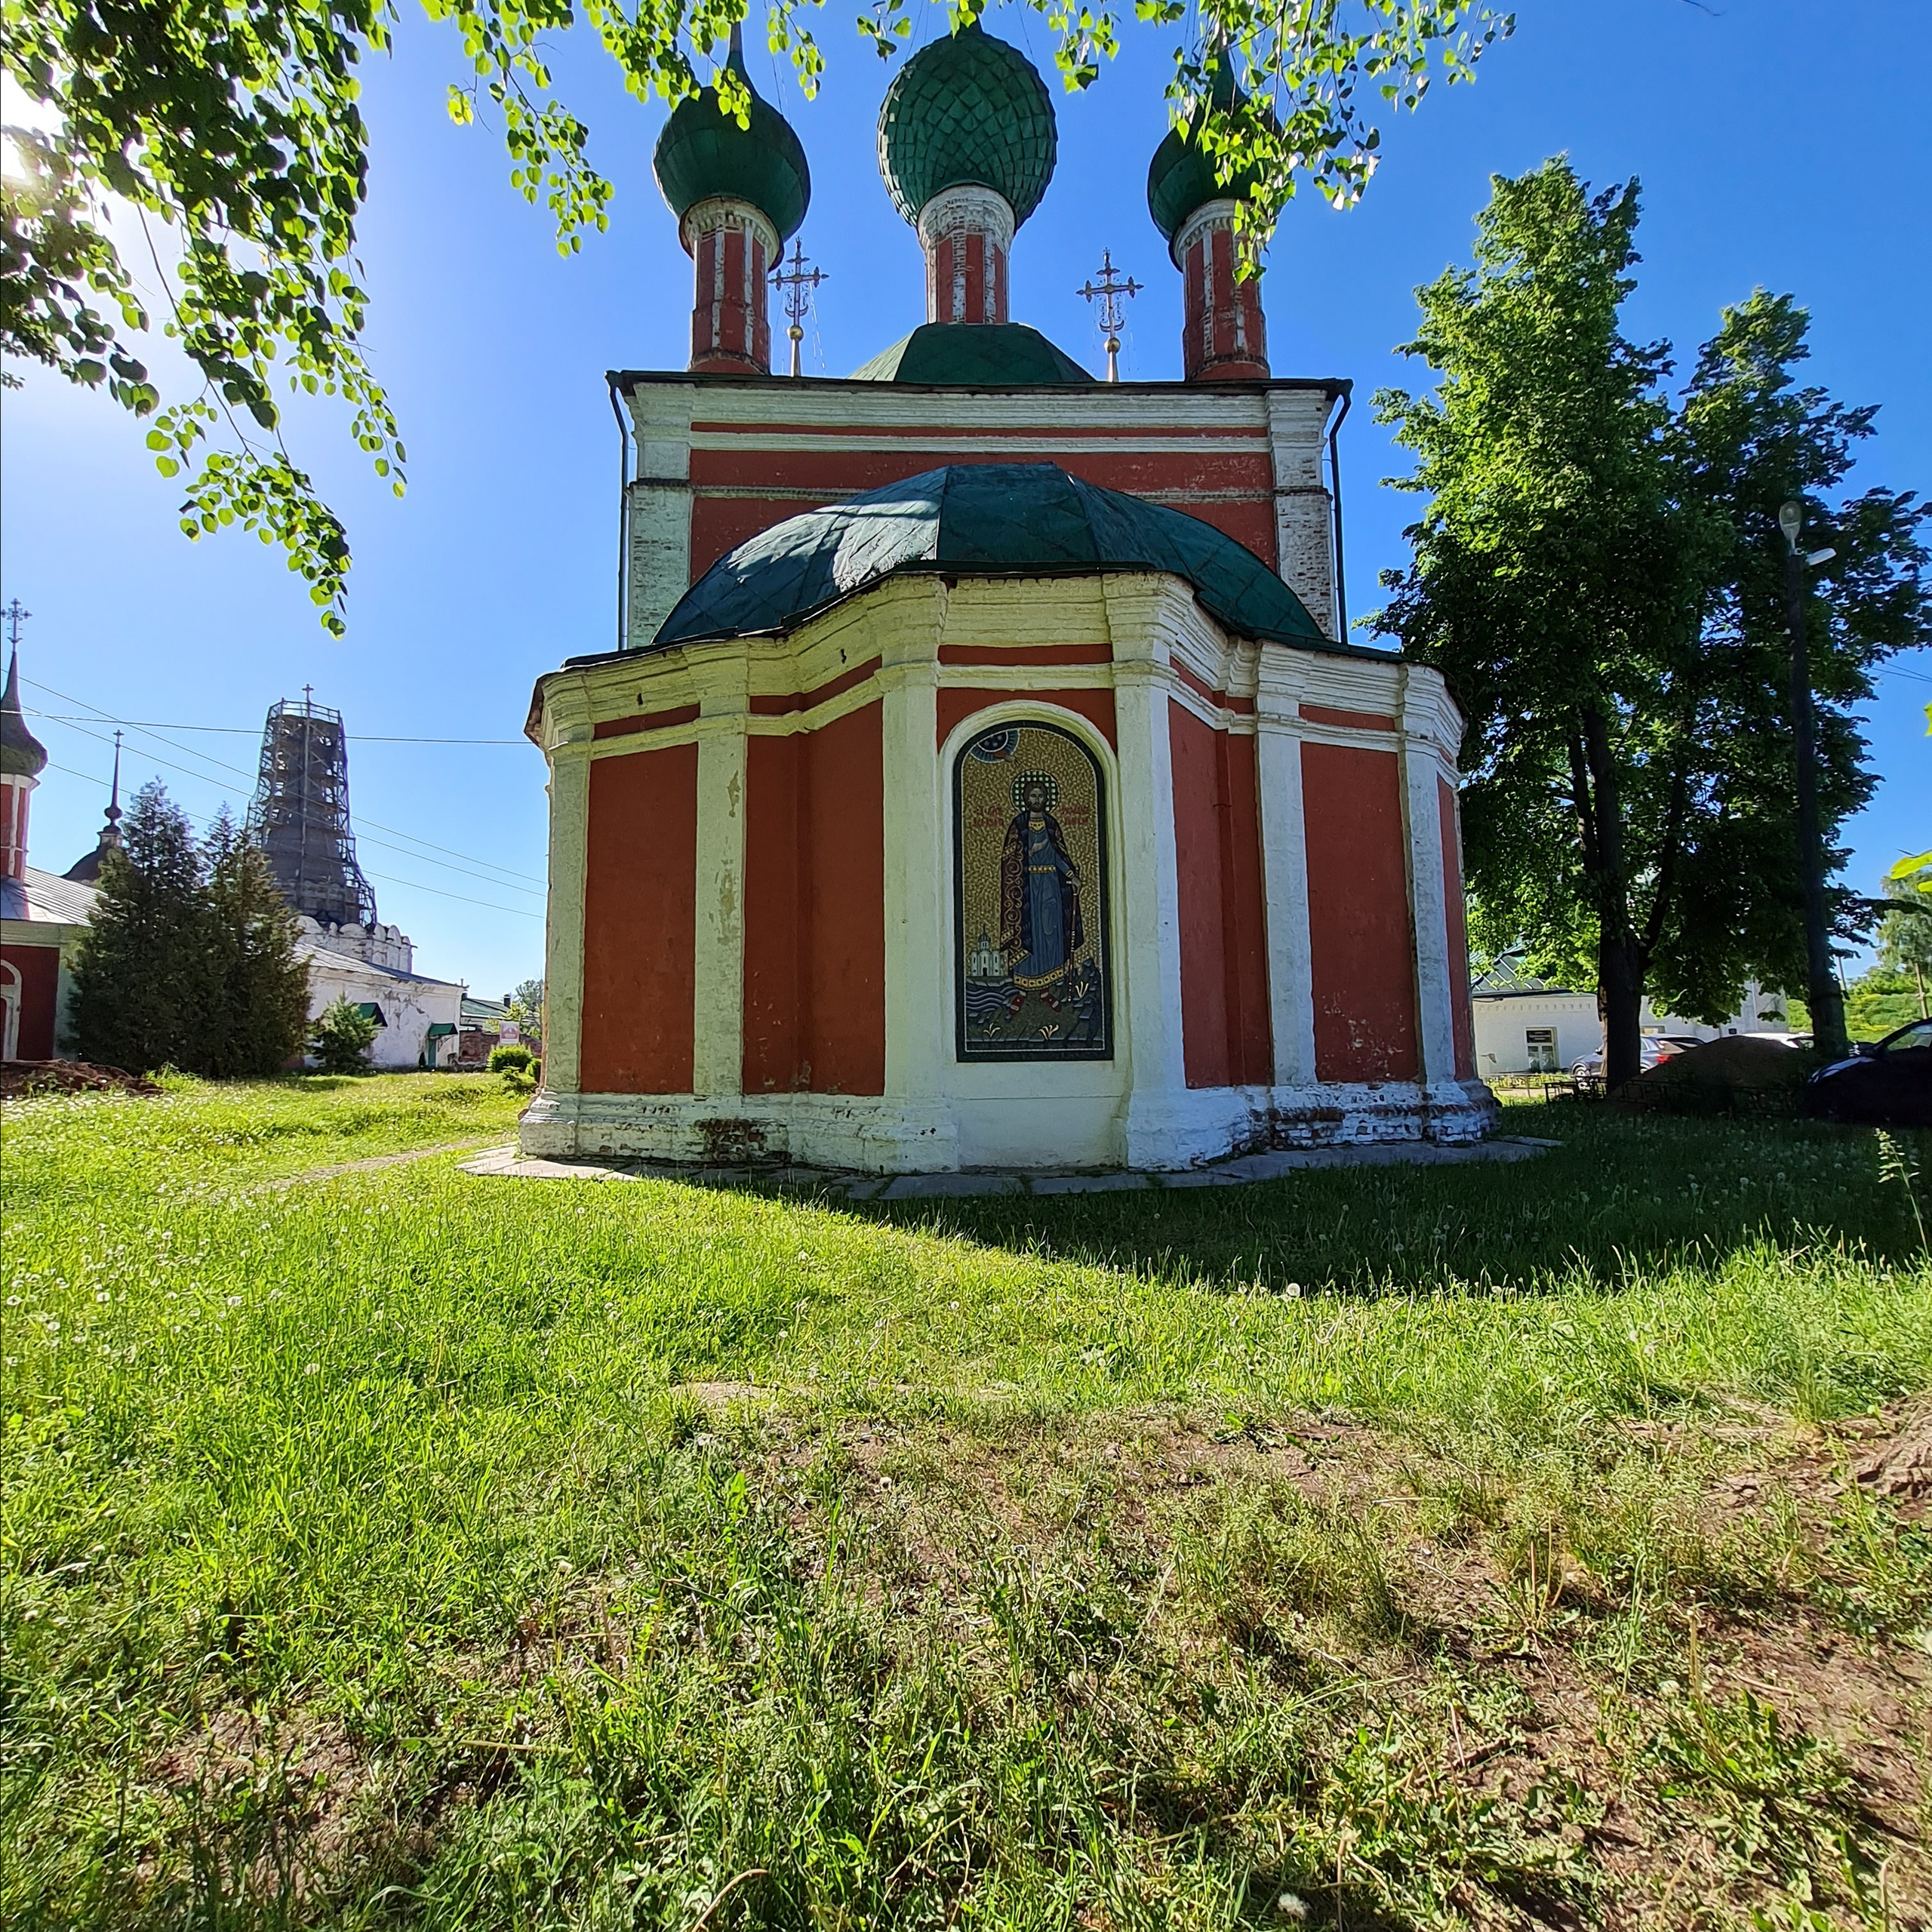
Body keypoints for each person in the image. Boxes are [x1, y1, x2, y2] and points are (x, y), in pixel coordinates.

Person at [998, 779, 1083, 1004]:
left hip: (1050, 887)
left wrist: (1071, 876)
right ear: (1025, 799)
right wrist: (1028, 850)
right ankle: (1022, 992)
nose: (1036, 800)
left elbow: (1058, 855)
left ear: (1046, 799)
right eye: (1032, 796)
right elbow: (1009, 860)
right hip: (1026, 889)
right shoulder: (1018, 825)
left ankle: (1046, 991)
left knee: (1050, 933)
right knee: (1028, 935)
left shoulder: (1051, 824)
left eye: (1040, 796)